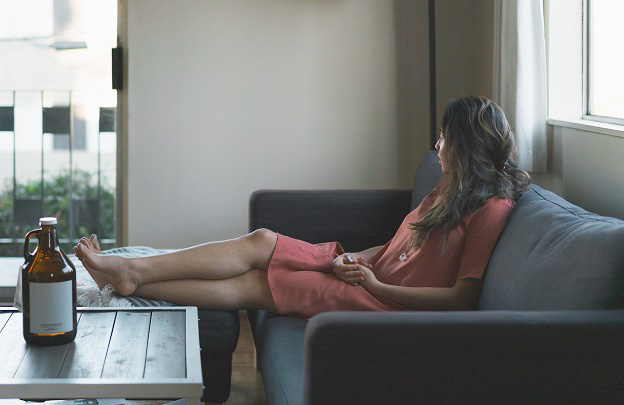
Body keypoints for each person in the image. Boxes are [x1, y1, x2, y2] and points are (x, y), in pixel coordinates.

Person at [74, 95, 530, 319]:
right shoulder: (449, 190)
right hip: (366, 276)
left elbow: (461, 300)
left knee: (255, 285)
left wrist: (375, 284)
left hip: (384, 307)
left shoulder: (490, 210)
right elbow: (395, 247)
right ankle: (134, 272)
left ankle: (132, 277)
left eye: (445, 139)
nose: (438, 146)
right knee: (261, 241)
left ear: (466, 146)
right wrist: (357, 259)